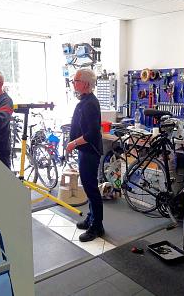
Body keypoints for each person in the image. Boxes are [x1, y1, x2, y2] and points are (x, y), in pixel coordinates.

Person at [66, 69, 104, 242]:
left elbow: (91, 134)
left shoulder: (90, 103)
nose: (73, 83)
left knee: (91, 189)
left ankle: (97, 226)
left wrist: (73, 143)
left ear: (86, 83)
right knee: (89, 187)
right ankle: (91, 218)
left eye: (76, 80)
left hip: (90, 152)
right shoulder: (85, 100)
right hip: (85, 151)